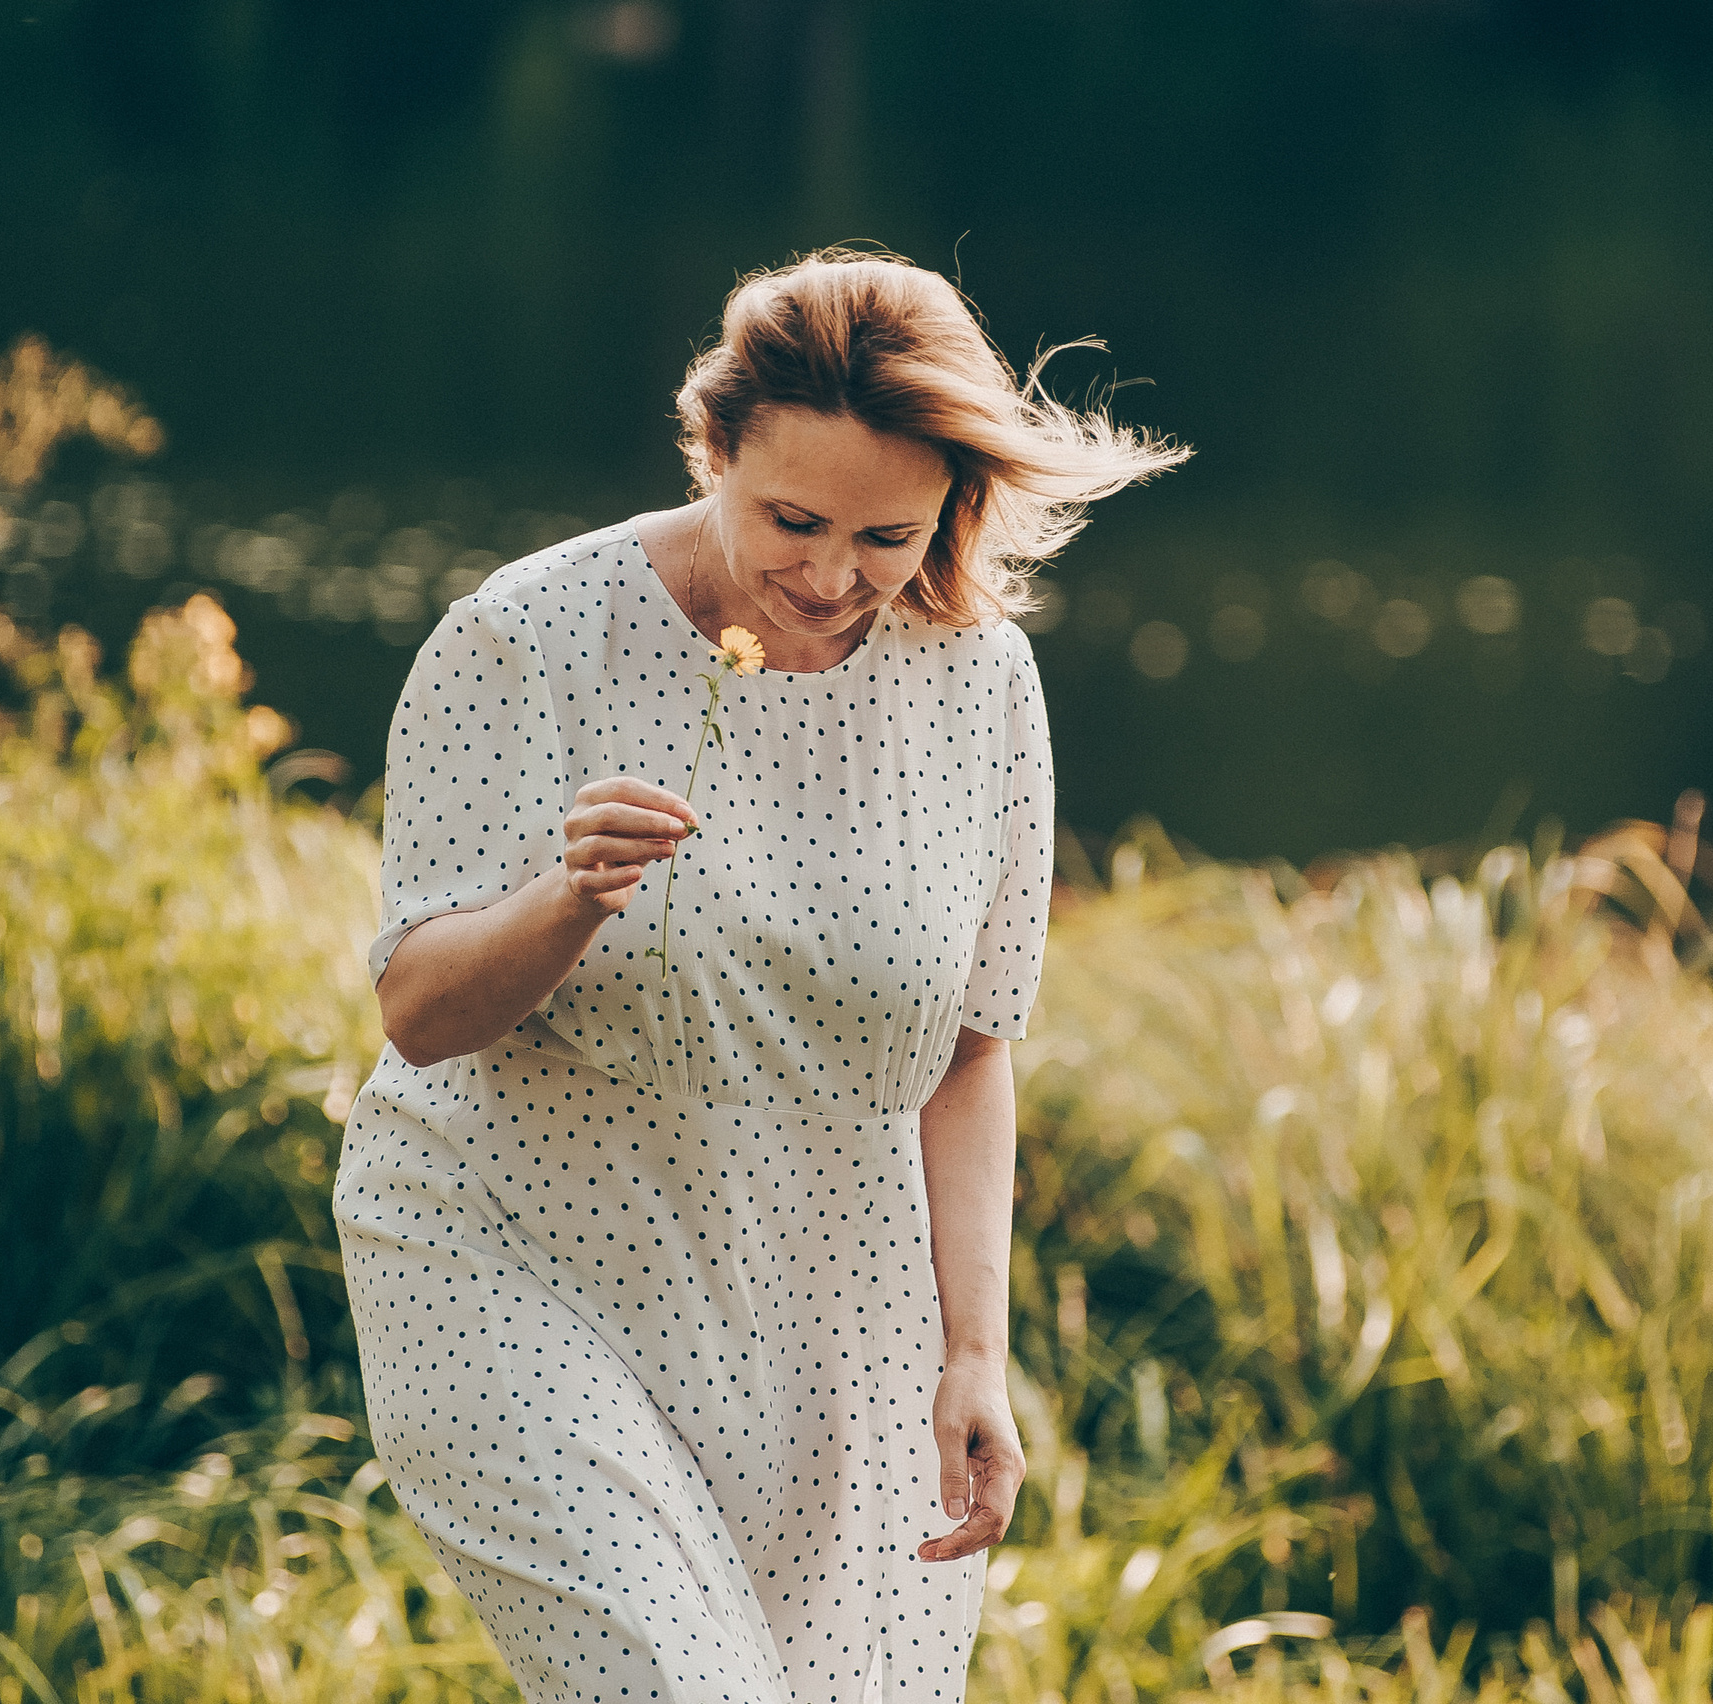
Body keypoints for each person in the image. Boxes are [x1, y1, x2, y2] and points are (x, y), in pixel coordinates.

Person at [335, 250, 1185, 1702]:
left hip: (830, 1325)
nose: (830, 578)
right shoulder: (526, 639)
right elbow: (419, 1015)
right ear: (712, 447)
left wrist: (974, 1355)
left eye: (886, 537)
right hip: (514, 1268)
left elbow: (974, 1051)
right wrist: (569, 897)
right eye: (792, 519)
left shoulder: (979, 681)